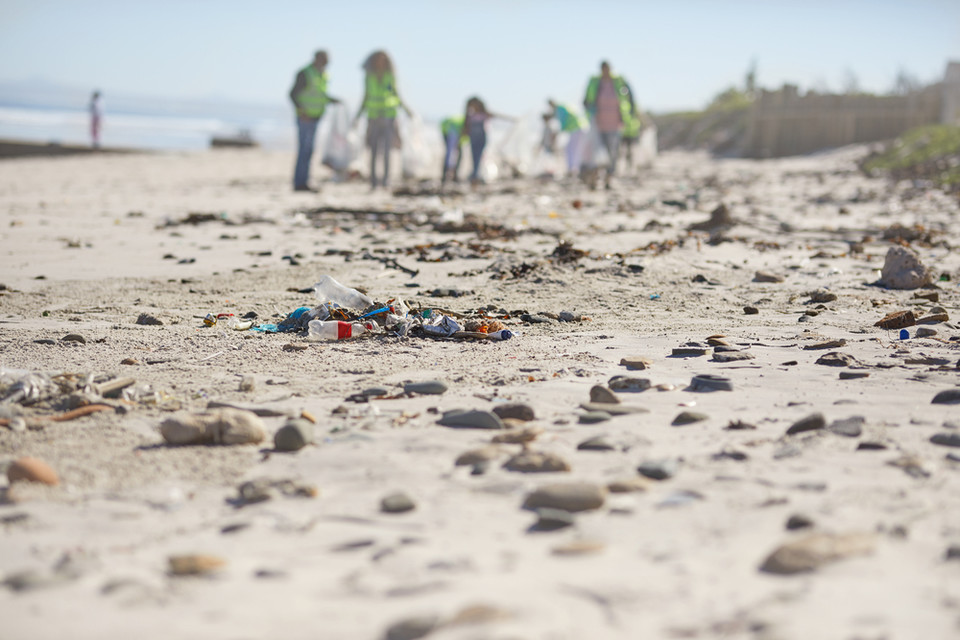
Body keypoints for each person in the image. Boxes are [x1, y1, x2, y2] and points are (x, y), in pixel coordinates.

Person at [354, 50, 410, 190]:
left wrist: (407, 110)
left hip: (388, 116)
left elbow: (396, 94)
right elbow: (365, 96)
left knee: (386, 151)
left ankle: (385, 181)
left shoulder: (390, 76)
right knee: (373, 150)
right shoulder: (369, 76)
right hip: (373, 116)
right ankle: (373, 181)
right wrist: (358, 115)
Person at [289, 50, 340, 192]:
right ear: (317, 58)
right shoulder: (305, 73)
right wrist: (301, 111)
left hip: (316, 117)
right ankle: (299, 183)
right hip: (305, 117)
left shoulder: (322, 75)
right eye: (325, 59)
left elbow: (319, 95)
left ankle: (304, 181)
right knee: (304, 150)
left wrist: (332, 100)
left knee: (310, 150)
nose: (327, 63)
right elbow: (292, 94)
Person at [583, 60, 635, 188]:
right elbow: (585, 100)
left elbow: (630, 98)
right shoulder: (595, 83)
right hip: (598, 123)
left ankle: (608, 179)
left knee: (613, 152)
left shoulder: (618, 82)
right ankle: (594, 180)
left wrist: (629, 116)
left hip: (615, 124)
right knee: (596, 153)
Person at [462, 96, 512, 184]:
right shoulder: (470, 116)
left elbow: (498, 117)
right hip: (473, 139)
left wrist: (513, 120)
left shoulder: (483, 114)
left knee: (479, 156)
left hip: (481, 138)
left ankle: (476, 174)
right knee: (474, 157)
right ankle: (475, 173)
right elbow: (466, 129)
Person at [546, 99, 586, 176]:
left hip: (577, 128)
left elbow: (563, 122)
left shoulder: (559, 109)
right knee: (573, 149)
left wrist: (556, 134)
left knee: (571, 149)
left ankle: (572, 169)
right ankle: (573, 168)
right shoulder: (562, 107)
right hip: (579, 127)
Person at [439, 114, 466, 185]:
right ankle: (445, 174)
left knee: (459, 154)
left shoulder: (464, 130)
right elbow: (450, 152)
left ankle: (454, 174)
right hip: (448, 130)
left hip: (450, 129)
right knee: (449, 153)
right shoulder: (455, 128)